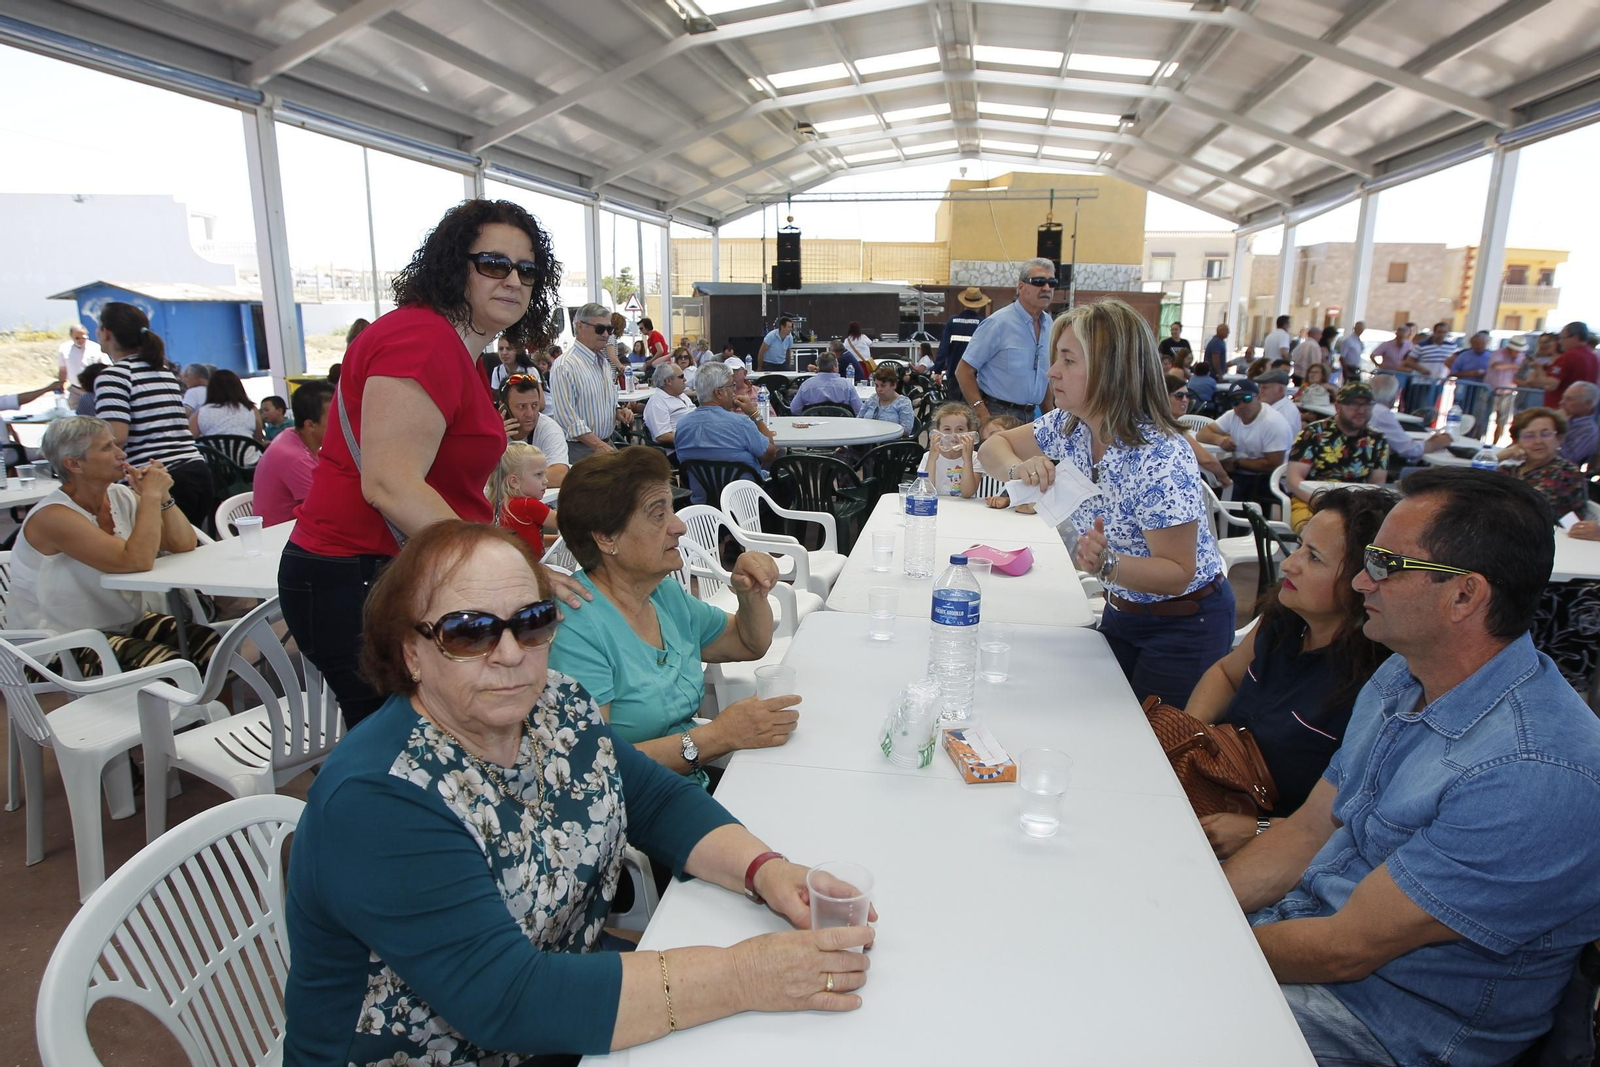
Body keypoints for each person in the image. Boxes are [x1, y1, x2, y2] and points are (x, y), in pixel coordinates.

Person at [284, 521, 873, 1065]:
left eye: (532, 621)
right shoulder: (379, 801)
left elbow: (655, 801)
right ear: (410, 652)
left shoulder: (554, 705)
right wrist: (742, 977)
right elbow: (509, 1001)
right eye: (469, 633)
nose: (511, 654)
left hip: (561, 999)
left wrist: (766, 871)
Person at [1221, 468, 1600, 1067]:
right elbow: (1305, 832)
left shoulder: (1534, 772)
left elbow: (1347, 951)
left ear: (1464, 596)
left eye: (1387, 566)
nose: (1363, 582)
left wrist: (1200, 944)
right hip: (1303, 943)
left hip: (1385, 1026)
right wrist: (1202, 907)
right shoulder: (1404, 674)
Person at [281, 198, 582, 730]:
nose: (513, 279)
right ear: (452, 265)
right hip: (360, 576)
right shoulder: (420, 338)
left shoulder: (449, 346)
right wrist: (504, 567)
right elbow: (390, 483)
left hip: (389, 569)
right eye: (493, 263)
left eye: (527, 269)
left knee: (425, 739)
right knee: (406, 744)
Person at [979, 298, 1232, 709]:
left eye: (1068, 361)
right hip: (1124, 610)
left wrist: (1107, 564)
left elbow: (1178, 573)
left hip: (1183, 625)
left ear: (1111, 370)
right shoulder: (1069, 425)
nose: (1052, 372)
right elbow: (993, 446)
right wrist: (1018, 468)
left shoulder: (1159, 455)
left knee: (1155, 746)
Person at [550, 448, 804, 786]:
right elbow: (594, 765)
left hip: (685, 788)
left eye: (672, 509)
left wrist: (751, 594)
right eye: (658, 515)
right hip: (632, 816)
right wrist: (721, 736)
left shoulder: (662, 595)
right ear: (606, 537)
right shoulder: (576, 625)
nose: (679, 526)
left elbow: (748, 642)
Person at [1182, 487, 1398, 857]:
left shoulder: (1377, 685)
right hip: (1215, 791)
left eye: (1313, 557)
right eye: (1299, 545)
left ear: (1364, 581)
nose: (1289, 563)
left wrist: (1258, 829)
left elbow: (1351, 822)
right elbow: (1226, 675)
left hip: (1275, 848)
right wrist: (1188, 737)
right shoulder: (1284, 619)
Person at [9, 416, 216, 672]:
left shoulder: (119, 496)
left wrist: (163, 496)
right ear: (74, 464)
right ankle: (187, 711)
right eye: (107, 448)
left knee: (214, 648)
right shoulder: (52, 517)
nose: (121, 454)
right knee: (169, 665)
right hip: (57, 644)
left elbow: (183, 543)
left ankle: (212, 712)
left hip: (121, 623)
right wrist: (150, 495)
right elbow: (136, 561)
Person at [93, 302, 213, 526]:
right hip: (195, 470)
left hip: (158, 480)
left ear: (106, 332)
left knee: (158, 555)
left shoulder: (114, 376)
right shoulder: (163, 371)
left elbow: (115, 436)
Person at [956, 258, 1055, 422]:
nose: (1046, 288)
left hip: (1034, 417)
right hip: (999, 415)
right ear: (1021, 286)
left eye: (1052, 282)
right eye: (1038, 282)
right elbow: (963, 371)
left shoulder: (1049, 326)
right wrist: (984, 417)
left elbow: (1044, 378)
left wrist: (1050, 419)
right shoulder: (998, 324)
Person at [1285, 382, 1390, 532]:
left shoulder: (1378, 439)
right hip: (1310, 500)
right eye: (1353, 405)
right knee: (1314, 532)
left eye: (1367, 405)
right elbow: (1293, 481)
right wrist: (1322, 502)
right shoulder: (1314, 432)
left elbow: (1376, 485)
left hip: (1356, 506)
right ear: (1337, 407)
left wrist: (1356, 508)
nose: (1360, 410)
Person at [673, 360, 776, 503]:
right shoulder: (741, 424)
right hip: (746, 502)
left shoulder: (682, 426)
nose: (734, 390)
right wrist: (755, 415)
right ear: (719, 392)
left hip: (704, 504)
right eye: (731, 386)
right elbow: (770, 453)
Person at [551, 302, 634, 463]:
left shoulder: (602, 362)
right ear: (580, 326)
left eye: (609, 329)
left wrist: (617, 411)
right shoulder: (565, 366)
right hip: (580, 449)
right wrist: (599, 446)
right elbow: (567, 418)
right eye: (600, 328)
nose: (605, 334)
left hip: (604, 444)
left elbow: (601, 400)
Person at [1196, 380, 1292, 512]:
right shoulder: (1233, 416)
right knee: (1202, 477)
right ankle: (1213, 524)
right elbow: (1202, 433)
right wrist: (1219, 439)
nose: (1241, 405)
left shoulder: (1273, 423)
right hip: (1241, 471)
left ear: (1259, 398)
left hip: (1268, 478)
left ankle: (1231, 528)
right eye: (1235, 402)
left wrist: (1237, 463)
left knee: (1225, 487)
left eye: (1246, 399)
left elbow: (1273, 464)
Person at [253, 382, 332, 527]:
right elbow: (329, 512)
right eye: (335, 418)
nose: (343, 423)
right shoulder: (295, 458)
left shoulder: (291, 435)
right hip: (282, 539)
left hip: (293, 531)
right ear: (310, 425)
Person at [1497, 407, 1588, 522]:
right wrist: (1499, 457)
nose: (1538, 441)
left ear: (1559, 439)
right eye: (1529, 436)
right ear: (1517, 442)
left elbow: (1527, 507)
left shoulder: (1566, 472)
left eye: (1545, 434)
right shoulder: (1511, 470)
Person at [486, 441, 558, 552]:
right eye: (539, 475)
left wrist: (558, 540)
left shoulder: (499, 504)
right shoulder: (527, 505)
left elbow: (530, 540)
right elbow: (568, 523)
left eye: (545, 474)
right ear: (514, 481)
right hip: (530, 566)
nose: (545, 481)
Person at [501, 373, 571, 487]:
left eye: (534, 405)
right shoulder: (491, 432)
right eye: (521, 406)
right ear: (504, 407)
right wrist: (495, 444)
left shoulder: (549, 428)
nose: (530, 414)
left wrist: (508, 481)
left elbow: (559, 475)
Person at [1368, 372, 1450, 464]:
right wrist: (1438, 443)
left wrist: (1427, 443)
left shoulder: (1369, 408)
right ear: (1396, 393)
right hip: (1382, 465)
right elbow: (1408, 450)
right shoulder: (1383, 413)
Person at [1167, 375, 1230, 490]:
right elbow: (1207, 461)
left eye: (1188, 395)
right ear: (1163, 398)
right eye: (1179, 396)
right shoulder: (1171, 427)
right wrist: (1225, 477)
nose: (1185, 400)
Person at [190, 368, 263, 462]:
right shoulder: (251, 409)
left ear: (211, 389)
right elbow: (258, 440)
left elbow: (189, 440)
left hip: (216, 468)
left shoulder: (201, 413)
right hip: (248, 466)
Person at [1524, 319, 1599, 407]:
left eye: (1562, 338)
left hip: (1561, 408)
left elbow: (1551, 384)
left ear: (1575, 337)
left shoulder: (1569, 356)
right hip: (1582, 409)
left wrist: (1537, 369)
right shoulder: (1592, 356)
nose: (1560, 342)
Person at [921, 401, 979, 498]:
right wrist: (932, 459)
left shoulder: (975, 458)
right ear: (937, 432)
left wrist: (967, 460)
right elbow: (927, 491)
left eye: (960, 429)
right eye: (947, 429)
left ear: (969, 432)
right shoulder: (928, 457)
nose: (954, 435)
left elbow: (967, 493)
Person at [936, 287, 989, 391]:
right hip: (974, 374)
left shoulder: (952, 321)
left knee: (955, 405)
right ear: (979, 305)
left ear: (964, 303)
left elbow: (943, 348)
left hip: (953, 372)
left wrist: (938, 371)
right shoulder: (982, 323)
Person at [792, 349, 862, 414]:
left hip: (813, 425)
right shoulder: (847, 386)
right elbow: (859, 410)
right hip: (841, 425)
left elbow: (794, 409)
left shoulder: (806, 385)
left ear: (818, 367)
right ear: (834, 368)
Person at [1485, 335, 1527, 442]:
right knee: (1482, 418)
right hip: (1491, 391)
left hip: (1508, 392)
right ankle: (1477, 441)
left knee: (1502, 421)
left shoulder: (1522, 357)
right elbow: (1496, 365)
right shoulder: (1498, 353)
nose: (1517, 352)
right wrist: (1514, 366)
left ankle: (1495, 443)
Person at [643, 361, 695, 445]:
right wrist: (693, 439)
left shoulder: (681, 395)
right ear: (669, 381)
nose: (685, 379)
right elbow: (662, 436)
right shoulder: (657, 402)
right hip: (679, 449)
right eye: (681, 376)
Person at [859, 363, 914, 437]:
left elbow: (906, 430)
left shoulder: (903, 403)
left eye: (883, 386)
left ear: (894, 385)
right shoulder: (872, 399)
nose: (879, 389)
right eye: (876, 385)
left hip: (890, 444)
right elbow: (859, 419)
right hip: (866, 440)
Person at [1557, 380, 1598, 465]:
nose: (1561, 403)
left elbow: (1568, 459)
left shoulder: (1589, 431)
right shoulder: (1561, 418)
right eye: (1563, 398)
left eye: (1569, 399)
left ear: (1588, 403)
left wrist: (1560, 427)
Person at [57, 323, 105, 395]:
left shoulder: (96, 348)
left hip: (94, 389)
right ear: (71, 336)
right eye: (77, 338)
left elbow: (105, 366)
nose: (81, 340)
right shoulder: (64, 349)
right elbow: (63, 370)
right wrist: (60, 386)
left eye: (84, 337)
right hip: (75, 390)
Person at [1253, 368, 1302, 437]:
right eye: (1259, 387)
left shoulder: (1286, 414)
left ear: (1280, 390)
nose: (1260, 391)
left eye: (1265, 388)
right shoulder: (1269, 406)